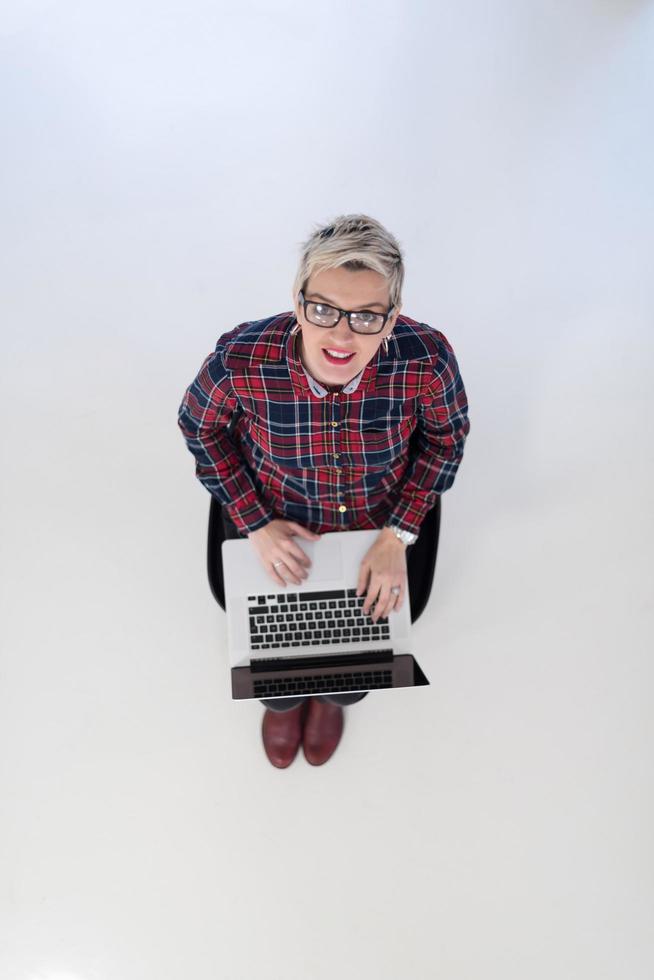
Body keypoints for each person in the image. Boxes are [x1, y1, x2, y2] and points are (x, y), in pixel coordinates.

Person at [178, 213, 470, 769]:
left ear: (391, 320)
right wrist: (256, 523)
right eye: (323, 310)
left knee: (354, 667)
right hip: (273, 518)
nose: (341, 334)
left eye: (365, 317)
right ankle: (284, 704)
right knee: (273, 668)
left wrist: (397, 535)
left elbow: (445, 441)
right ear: (298, 301)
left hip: (379, 525)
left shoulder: (426, 359)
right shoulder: (241, 358)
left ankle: (336, 698)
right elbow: (200, 427)